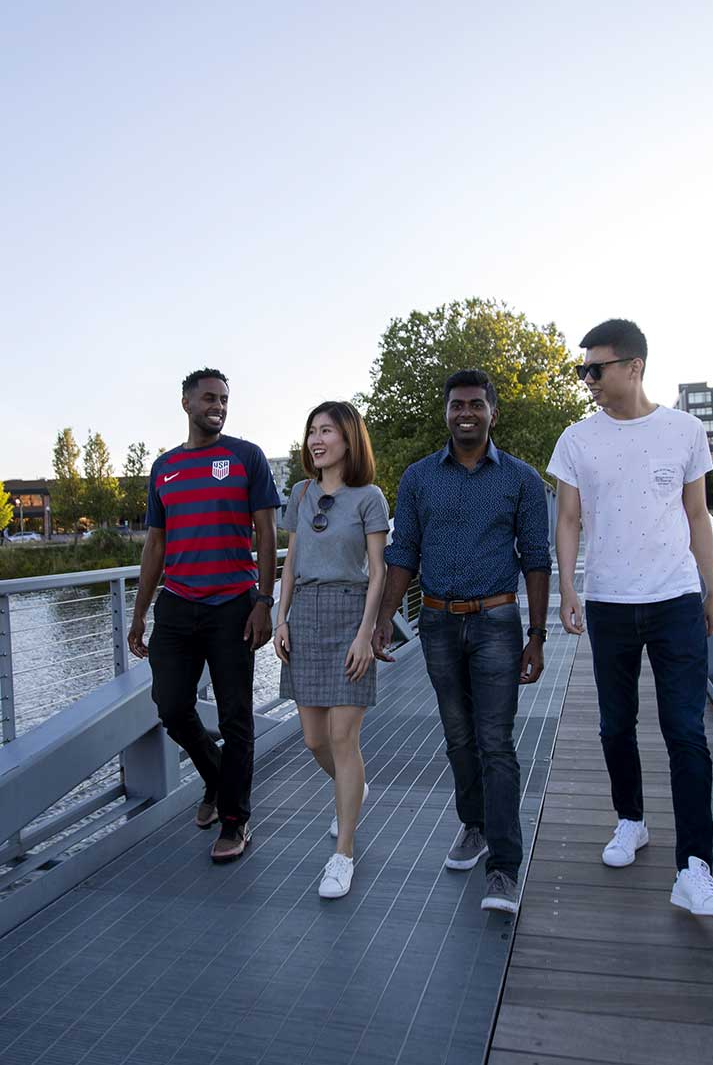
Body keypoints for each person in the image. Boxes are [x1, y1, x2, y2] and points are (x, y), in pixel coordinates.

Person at [548, 319, 713, 918]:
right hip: (608, 602)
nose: (587, 381)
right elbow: (570, 520)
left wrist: (712, 588)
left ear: (634, 366)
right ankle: (631, 820)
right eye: (583, 371)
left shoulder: (685, 429)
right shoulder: (577, 438)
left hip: (677, 600)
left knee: (686, 732)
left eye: (594, 369)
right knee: (613, 725)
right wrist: (569, 591)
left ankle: (695, 869)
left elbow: (698, 515)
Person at [373, 369, 551, 915]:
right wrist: (383, 618)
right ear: (446, 412)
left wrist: (537, 635)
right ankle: (473, 826)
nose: (465, 412)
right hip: (437, 623)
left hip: (497, 621)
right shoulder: (420, 477)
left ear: (492, 413)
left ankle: (503, 866)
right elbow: (403, 553)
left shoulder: (520, 480)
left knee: (495, 743)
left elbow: (537, 560)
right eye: (456, 405)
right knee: (456, 737)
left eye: (475, 404)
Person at [127, 368, 280, 863]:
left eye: (225, 399)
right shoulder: (164, 467)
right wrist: (139, 613)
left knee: (237, 716)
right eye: (209, 398)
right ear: (187, 403)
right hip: (177, 604)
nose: (218, 405)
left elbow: (266, 534)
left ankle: (235, 820)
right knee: (170, 705)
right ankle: (215, 778)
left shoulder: (246, 457)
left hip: (233, 605)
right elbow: (155, 543)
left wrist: (264, 600)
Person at [274, 401, 389, 899]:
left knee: (343, 738)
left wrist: (365, 633)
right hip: (306, 617)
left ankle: (342, 854)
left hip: (349, 615)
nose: (317, 440)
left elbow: (379, 570)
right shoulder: (299, 493)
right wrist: (280, 617)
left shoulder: (369, 498)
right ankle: (353, 790)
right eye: (312, 431)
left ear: (348, 439)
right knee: (314, 740)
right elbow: (291, 561)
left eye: (327, 431)